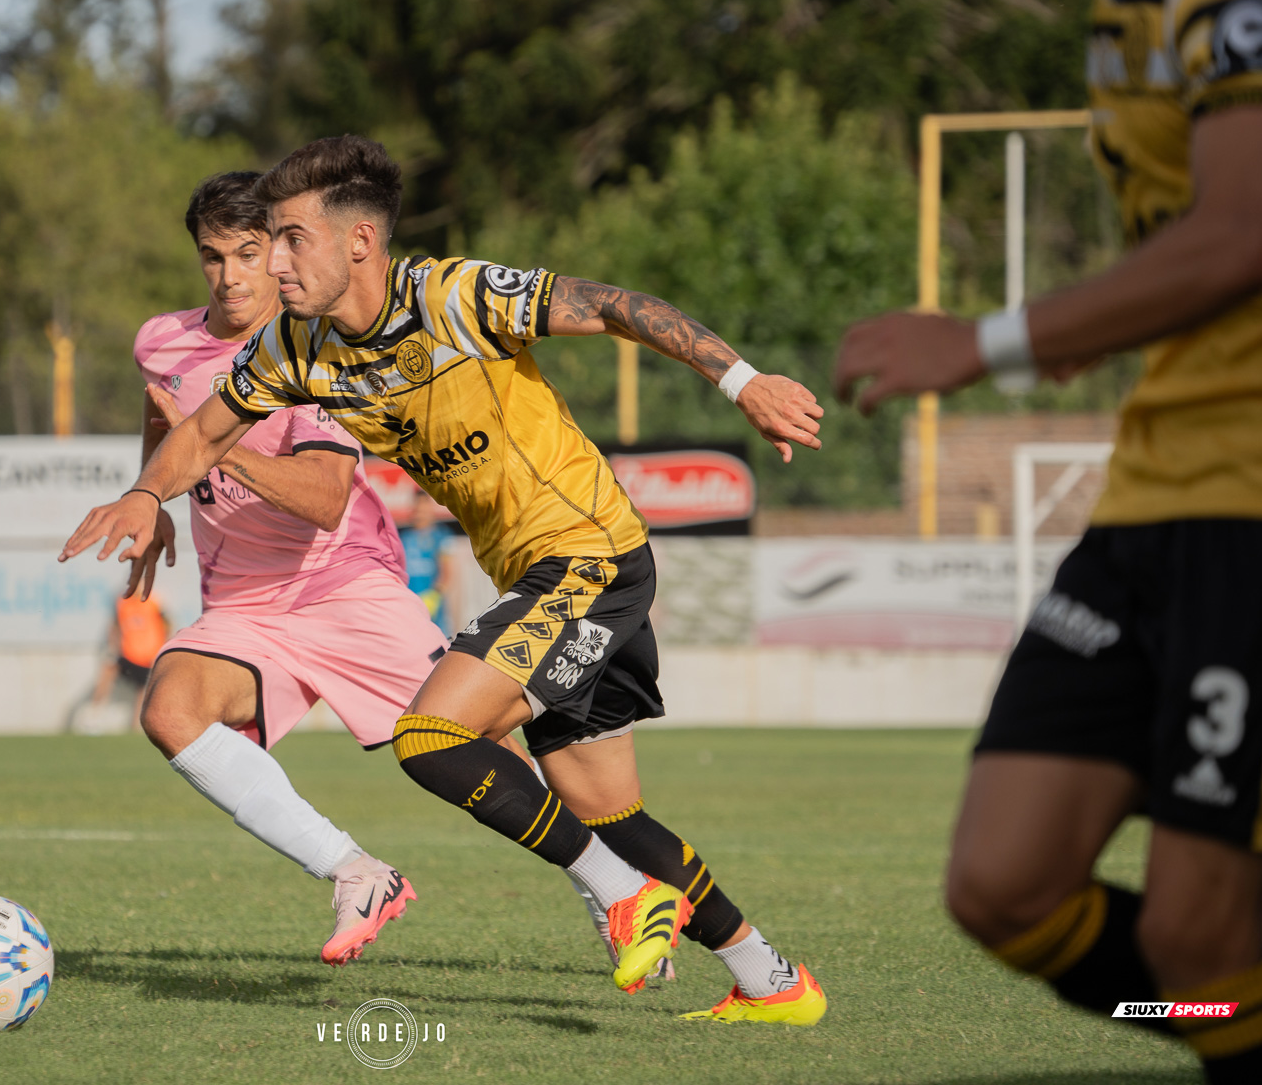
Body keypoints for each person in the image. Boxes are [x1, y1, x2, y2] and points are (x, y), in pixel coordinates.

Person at [64, 135, 829, 1021]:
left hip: (590, 558)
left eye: (288, 238)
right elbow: (200, 434)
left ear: (357, 242)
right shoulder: (296, 349)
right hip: (539, 573)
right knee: (609, 811)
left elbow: (617, 305)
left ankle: (622, 897)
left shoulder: (457, 296)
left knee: (429, 738)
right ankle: (772, 980)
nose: (273, 261)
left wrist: (741, 381)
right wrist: (146, 492)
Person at [834, 0, 1262, 1077]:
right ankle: (1239, 1022)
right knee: (1005, 886)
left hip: (1260, 503)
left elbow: (1250, 228)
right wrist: (1097, 321)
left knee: (1198, 931)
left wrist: (989, 339)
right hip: (1155, 491)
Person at [120, 170, 446, 966]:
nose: (230, 277)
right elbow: (164, 414)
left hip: (346, 586)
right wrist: (152, 494)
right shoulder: (162, 341)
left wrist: (216, 440)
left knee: (481, 742)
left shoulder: (320, 348)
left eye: (248, 253)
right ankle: (355, 872)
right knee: (170, 709)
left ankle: (618, 891)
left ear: (279, 253)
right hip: (244, 604)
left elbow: (326, 497)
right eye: (212, 256)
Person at [88, 593, 168, 712]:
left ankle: (137, 726)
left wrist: (162, 649)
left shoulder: (153, 602)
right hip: (128, 655)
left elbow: (167, 625)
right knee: (108, 671)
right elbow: (114, 627)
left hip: (147, 658)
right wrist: (113, 647)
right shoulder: (123, 603)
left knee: (142, 694)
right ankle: (94, 713)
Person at [398, 491, 457, 632]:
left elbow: (447, 573)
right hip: (409, 606)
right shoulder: (404, 538)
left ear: (431, 510)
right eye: (417, 509)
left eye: (424, 509)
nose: (420, 513)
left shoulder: (442, 536)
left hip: (434, 610)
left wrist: (433, 597)